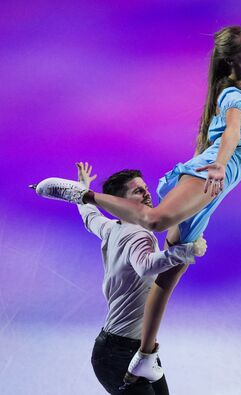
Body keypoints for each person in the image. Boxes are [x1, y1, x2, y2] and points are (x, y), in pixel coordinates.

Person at [33, 25, 241, 383]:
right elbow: (232, 132)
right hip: (211, 176)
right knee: (155, 221)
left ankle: (145, 354)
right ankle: (85, 194)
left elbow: (94, 223)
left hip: (215, 185)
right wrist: (219, 161)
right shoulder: (233, 95)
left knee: (170, 278)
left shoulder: (234, 93)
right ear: (230, 58)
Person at [75, 162, 207, 394]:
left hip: (128, 348)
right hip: (118, 355)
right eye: (138, 191)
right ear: (121, 203)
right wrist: (186, 251)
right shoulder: (137, 233)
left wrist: (83, 186)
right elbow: (145, 266)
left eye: (145, 188)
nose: (147, 193)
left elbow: (89, 215)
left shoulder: (111, 227)